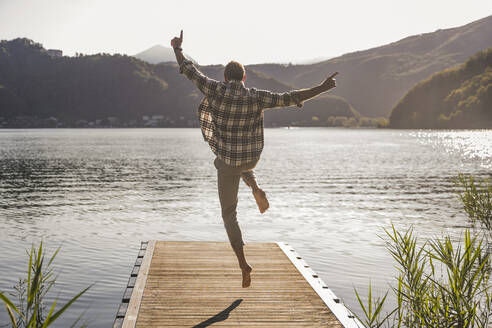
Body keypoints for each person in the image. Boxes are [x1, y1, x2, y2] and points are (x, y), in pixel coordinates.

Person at [171, 30, 337, 288]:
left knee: (229, 213)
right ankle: (256, 188)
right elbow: (290, 97)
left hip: (228, 159)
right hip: (251, 159)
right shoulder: (256, 96)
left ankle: (243, 264)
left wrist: (177, 48)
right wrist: (323, 88)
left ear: (225, 78)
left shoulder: (215, 89)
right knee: (240, 164)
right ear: (244, 78)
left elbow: (189, 70)